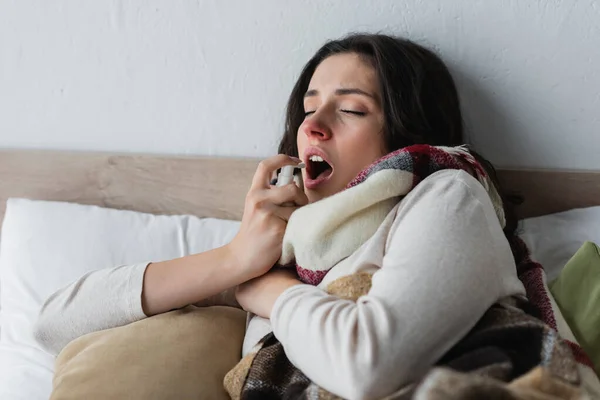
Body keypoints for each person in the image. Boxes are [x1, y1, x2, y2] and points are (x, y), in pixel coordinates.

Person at [34, 34, 525, 399]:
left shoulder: (448, 193)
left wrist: (267, 290)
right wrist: (235, 259)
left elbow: (366, 366)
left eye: (351, 110)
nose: (313, 125)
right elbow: (55, 327)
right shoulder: (288, 245)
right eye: (308, 109)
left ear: (406, 133)